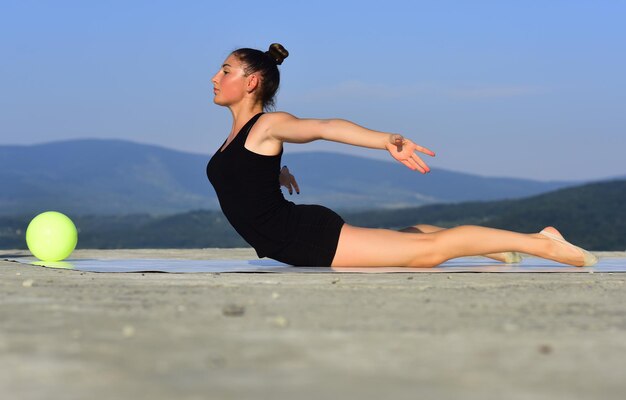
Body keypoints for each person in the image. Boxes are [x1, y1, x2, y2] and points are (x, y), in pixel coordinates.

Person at [206, 43, 598, 268]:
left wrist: (385, 140)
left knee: (424, 257)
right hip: (291, 240)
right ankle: (490, 245)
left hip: (304, 238)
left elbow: (325, 127)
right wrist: (272, 173)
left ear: (251, 81)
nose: (215, 78)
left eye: (225, 71)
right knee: (418, 242)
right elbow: (241, 175)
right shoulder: (240, 137)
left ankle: (542, 241)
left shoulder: (268, 126)